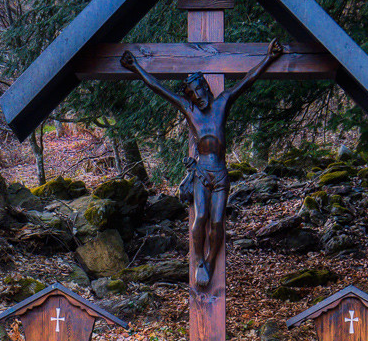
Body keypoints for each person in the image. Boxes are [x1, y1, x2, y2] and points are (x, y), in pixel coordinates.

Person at [120, 40, 284, 290]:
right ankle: (198, 262)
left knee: (217, 223)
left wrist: (269, 58)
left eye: (200, 90)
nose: (198, 97)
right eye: (192, 95)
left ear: (206, 88)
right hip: (201, 173)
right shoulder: (190, 111)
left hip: (220, 175)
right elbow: (158, 87)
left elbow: (248, 80)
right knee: (201, 217)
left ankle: (209, 262)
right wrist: (136, 68)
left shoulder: (222, 104)